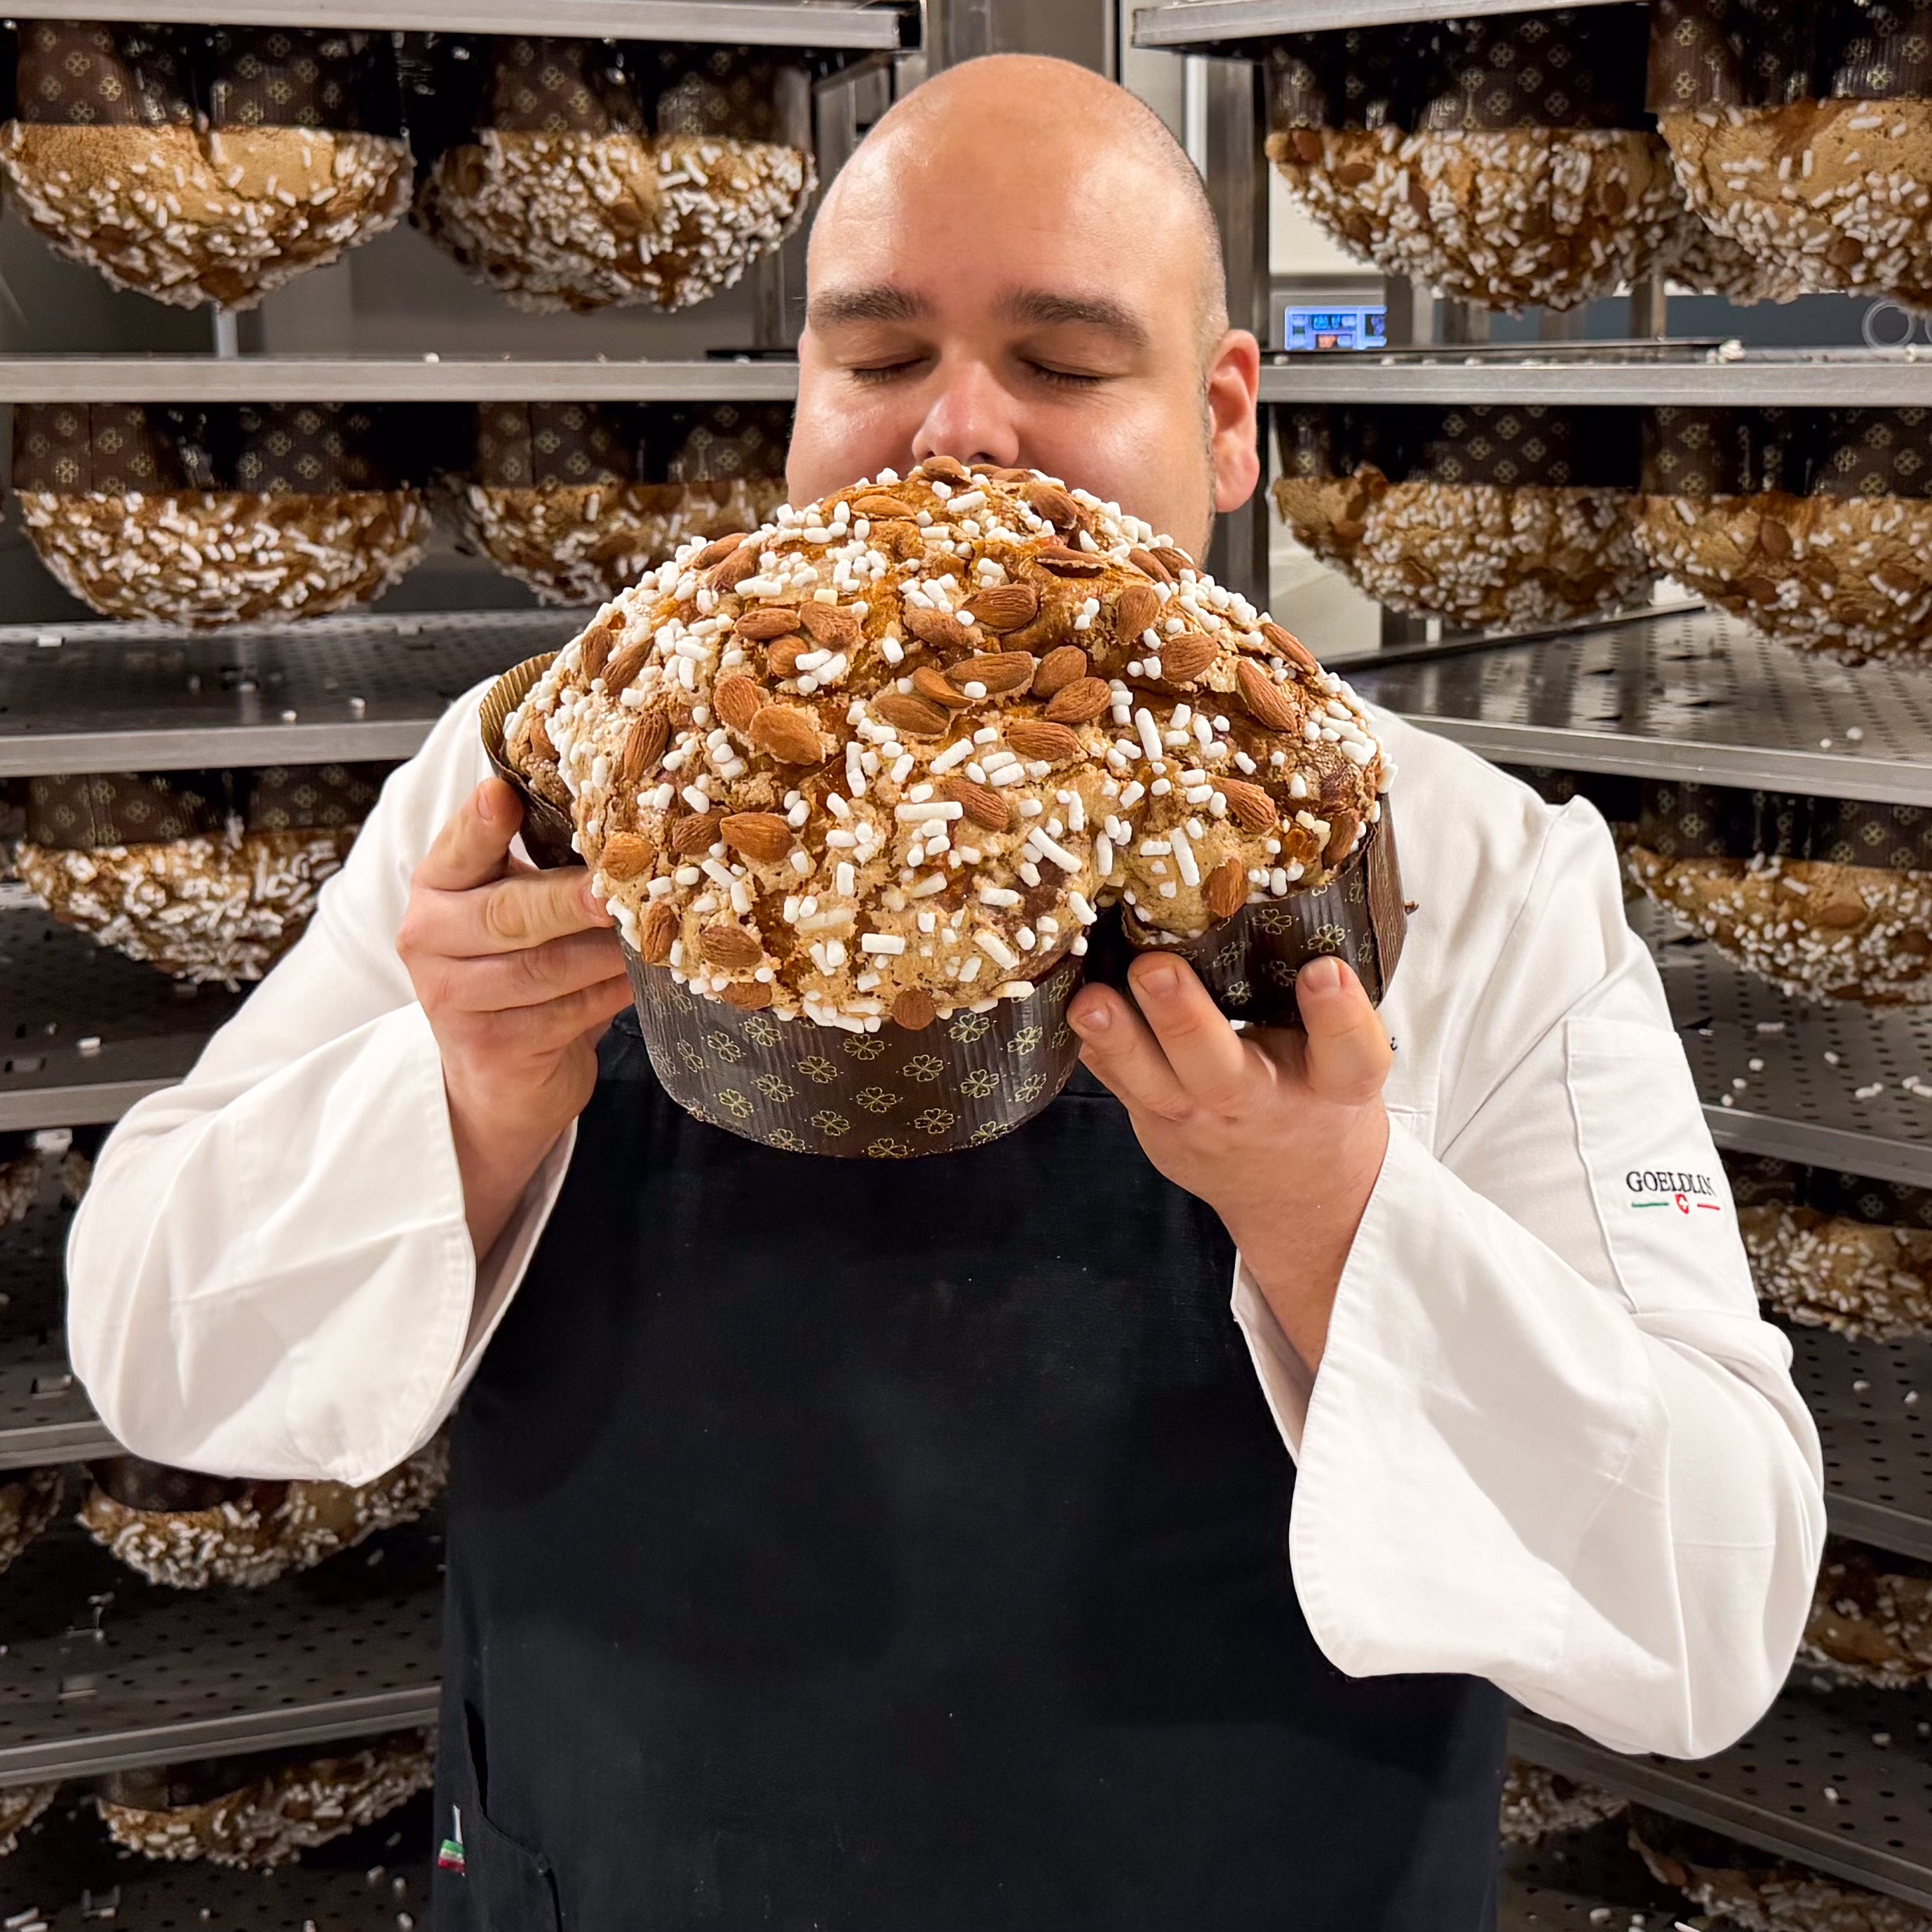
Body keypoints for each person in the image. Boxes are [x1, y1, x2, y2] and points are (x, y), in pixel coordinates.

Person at [68, 53, 1823, 1932]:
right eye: (877, 356)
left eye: (1064, 365)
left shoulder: (1454, 871)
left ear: (1224, 420)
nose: (957, 434)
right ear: (801, 398)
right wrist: (462, 1097)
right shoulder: (536, 786)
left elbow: (1705, 1607)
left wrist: (1330, 1217)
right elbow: (159, 1347)